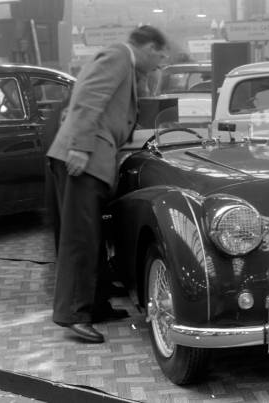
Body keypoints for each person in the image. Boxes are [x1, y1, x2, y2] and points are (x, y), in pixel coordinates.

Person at [46, 25, 168, 343]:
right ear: (149, 47)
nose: (161, 63)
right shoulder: (117, 56)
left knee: (94, 236)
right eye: (160, 57)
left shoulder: (129, 67)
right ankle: (73, 315)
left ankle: (96, 304)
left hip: (93, 161)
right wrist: (79, 147)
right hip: (82, 159)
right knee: (80, 238)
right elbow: (88, 98)